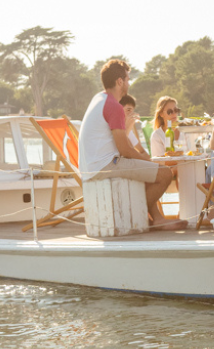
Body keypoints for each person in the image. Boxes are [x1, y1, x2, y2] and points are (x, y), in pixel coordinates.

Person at [78, 59, 186, 231]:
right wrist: (150, 162)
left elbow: (121, 143)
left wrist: (144, 161)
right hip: (105, 165)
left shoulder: (99, 99)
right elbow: (124, 150)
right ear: (119, 81)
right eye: (127, 79)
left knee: (148, 171)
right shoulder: (114, 106)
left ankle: (157, 218)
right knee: (164, 174)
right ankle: (135, 212)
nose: (128, 83)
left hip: (92, 165)